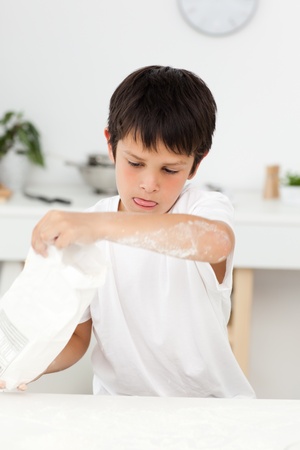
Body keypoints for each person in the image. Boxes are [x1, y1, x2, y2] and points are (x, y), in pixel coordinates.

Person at [15, 66, 256, 397]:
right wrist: (22, 364)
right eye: (135, 163)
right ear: (111, 147)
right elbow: (75, 339)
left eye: (170, 169)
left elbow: (214, 242)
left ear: (196, 164)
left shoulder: (203, 209)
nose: (149, 184)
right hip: (121, 414)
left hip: (211, 413)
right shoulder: (86, 229)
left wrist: (97, 227)